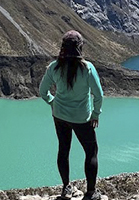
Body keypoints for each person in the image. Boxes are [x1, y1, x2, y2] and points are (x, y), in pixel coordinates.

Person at [39, 30, 104, 200]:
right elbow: (99, 95)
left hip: (59, 116)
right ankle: (90, 193)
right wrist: (95, 114)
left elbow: (42, 91)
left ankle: (66, 188)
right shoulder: (87, 68)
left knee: (63, 149)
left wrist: (53, 102)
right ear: (80, 47)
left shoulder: (54, 67)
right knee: (91, 151)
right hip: (82, 118)